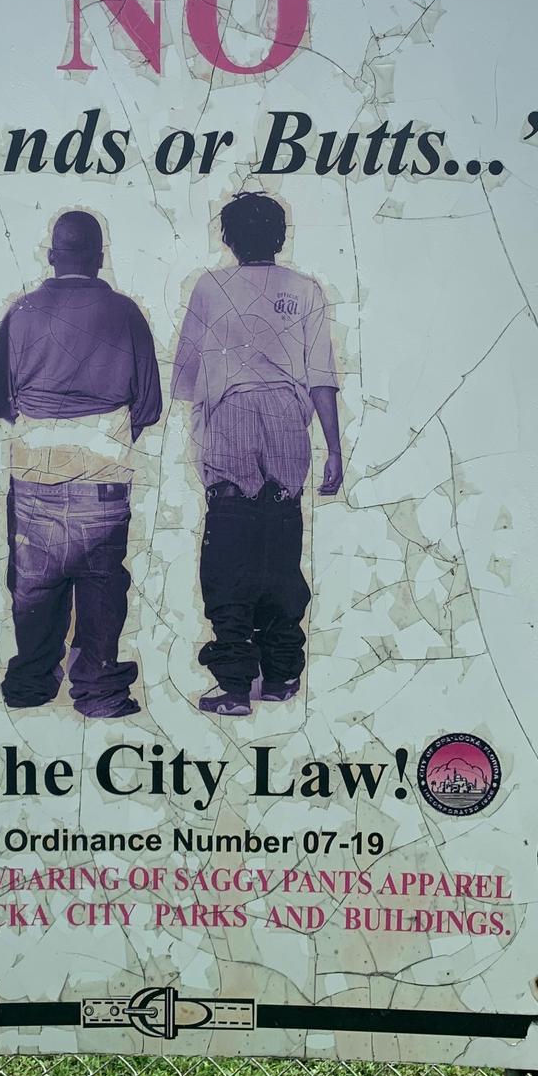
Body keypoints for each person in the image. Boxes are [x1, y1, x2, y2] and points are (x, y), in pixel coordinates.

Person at [171, 193, 342, 716]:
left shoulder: (209, 286)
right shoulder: (307, 290)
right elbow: (322, 377)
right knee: (282, 543)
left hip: (232, 417)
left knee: (229, 549)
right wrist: (334, 449)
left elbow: (185, 376)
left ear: (227, 237)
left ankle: (234, 683)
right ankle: (283, 673)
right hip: (290, 422)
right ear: (281, 236)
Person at [0, 211, 161, 718]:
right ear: (100, 258)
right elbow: (148, 406)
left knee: (33, 583)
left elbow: (1, 401)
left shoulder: (20, 313)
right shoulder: (127, 314)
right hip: (103, 480)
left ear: (51, 255)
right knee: (103, 584)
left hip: (34, 476)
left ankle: (31, 684)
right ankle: (100, 692)